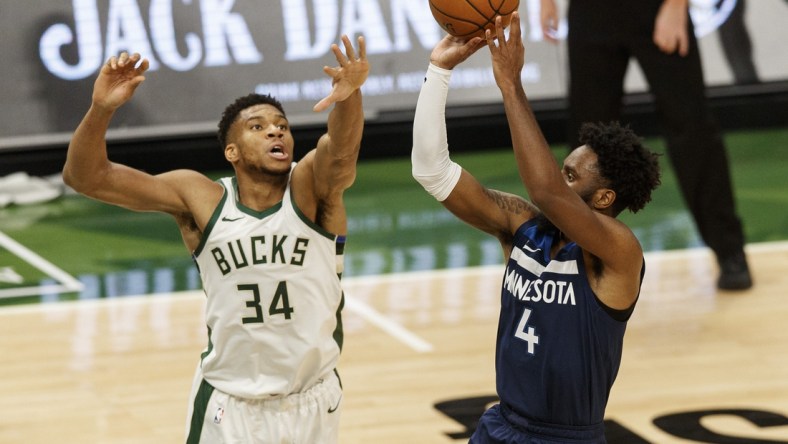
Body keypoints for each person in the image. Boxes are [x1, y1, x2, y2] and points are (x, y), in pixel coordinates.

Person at [62, 35, 369, 444]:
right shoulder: (199, 197)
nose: (275, 133)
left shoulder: (311, 187)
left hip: (313, 400)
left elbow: (342, 151)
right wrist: (101, 109)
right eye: (257, 127)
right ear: (232, 152)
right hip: (230, 407)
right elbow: (86, 177)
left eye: (282, 126)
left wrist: (349, 98)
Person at [412, 13, 661, 443]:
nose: (558, 178)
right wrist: (439, 71)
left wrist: (511, 84)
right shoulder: (523, 228)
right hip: (500, 425)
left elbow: (547, 191)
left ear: (604, 199)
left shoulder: (618, 253)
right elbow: (432, 172)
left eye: (571, 176)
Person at [540, 0, 753, 290]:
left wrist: (676, 7)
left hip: (657, 7)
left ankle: (729, 250)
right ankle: (578, 256)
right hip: (590, 11)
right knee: (586, 140)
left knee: (691, 128)